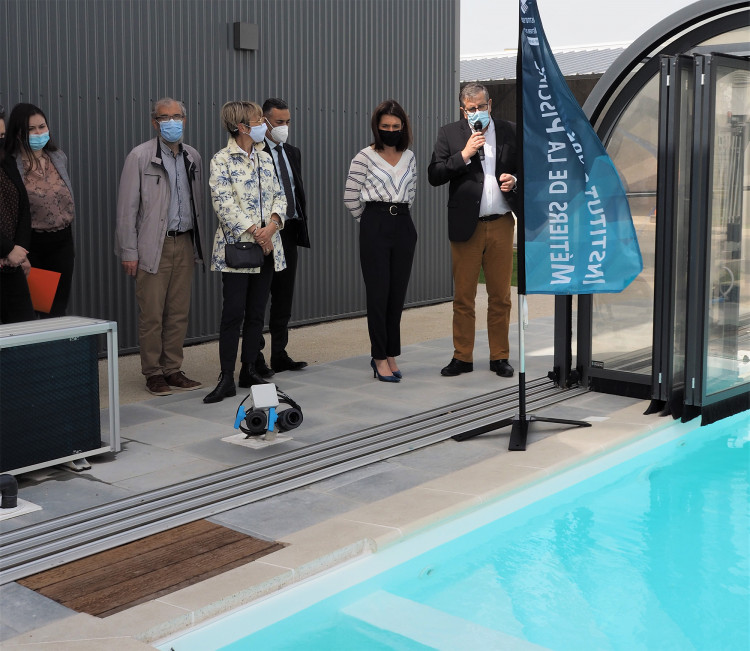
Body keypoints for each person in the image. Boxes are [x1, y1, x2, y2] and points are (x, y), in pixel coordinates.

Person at [428, 83, 519, 379]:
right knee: (464, 297)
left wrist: (515, 180)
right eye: (471, 109)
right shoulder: (449, 133)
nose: (477, 112)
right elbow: (434, 174)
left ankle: (499, 357)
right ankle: (462, 357)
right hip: (467, 226)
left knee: (501, 296)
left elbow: (529, 167)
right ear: (462, 110)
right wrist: (464, 154)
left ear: (490, 104)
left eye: (481, 106)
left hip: (501, 223)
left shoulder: (510, 130)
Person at [115, 97, 205, 396]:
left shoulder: (193, 156)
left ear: (185, 119)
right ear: (155, 123)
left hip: (185, 242)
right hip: (153, 246)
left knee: (178, 312)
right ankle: (153, 373)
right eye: (165, 117)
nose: (172, 122)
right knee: (152, 314)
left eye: (177, 116)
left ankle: (173, 369)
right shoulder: (140, 157)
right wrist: (129, 251)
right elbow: (127, 209)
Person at [203, 101, 287, 404]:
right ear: (241, 127)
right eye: (257, 120)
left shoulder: (266, 159)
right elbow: (224, 204)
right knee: (233, 314)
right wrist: (256, 232)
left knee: (255, 313)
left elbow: (280, 196)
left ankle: (249, 369)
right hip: (239, 249)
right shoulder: (221, 160)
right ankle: (226, 376)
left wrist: (273, 226)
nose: (264, 123)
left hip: (267, 247)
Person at [344, 99, 417, 383]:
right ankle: (378, 356)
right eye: (385, 126)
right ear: (377, 127)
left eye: (395, 126)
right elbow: (351, 198)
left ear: (403, 127)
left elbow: (411, 192)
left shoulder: (409, 156)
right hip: (374, 222)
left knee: (396, 295)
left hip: (404, 224)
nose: (390, 130)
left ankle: (391, 352)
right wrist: (372, 224)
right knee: (378, 295)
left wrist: (397, 222)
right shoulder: (364, 156)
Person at [255, 97, 311, 376]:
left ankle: (279, 353)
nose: (284, 127)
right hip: (264, 235)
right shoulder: (253, 151)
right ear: (264, 122)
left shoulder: (292, 152)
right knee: (259, 296)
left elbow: (295, 190)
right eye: (279, 122)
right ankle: (256, 357)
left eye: (288, 122)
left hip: (288, 232)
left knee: (284, 296)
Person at [4, 103, 75, 317]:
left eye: (42, 127)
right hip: (33, 245)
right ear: (18, 134)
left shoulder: (57, 157)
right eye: (31, 129)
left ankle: (55, 349)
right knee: (38, 307)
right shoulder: (11, 165)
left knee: (58, 307)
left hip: (62, 242)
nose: (38, 133)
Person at [0, 104, 35, 323]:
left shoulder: (7, 163)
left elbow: (23, 208)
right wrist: (7, 249)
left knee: (24, 331)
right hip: (7, 254)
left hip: (12, 264)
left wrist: (19, 251)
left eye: (2, 135)